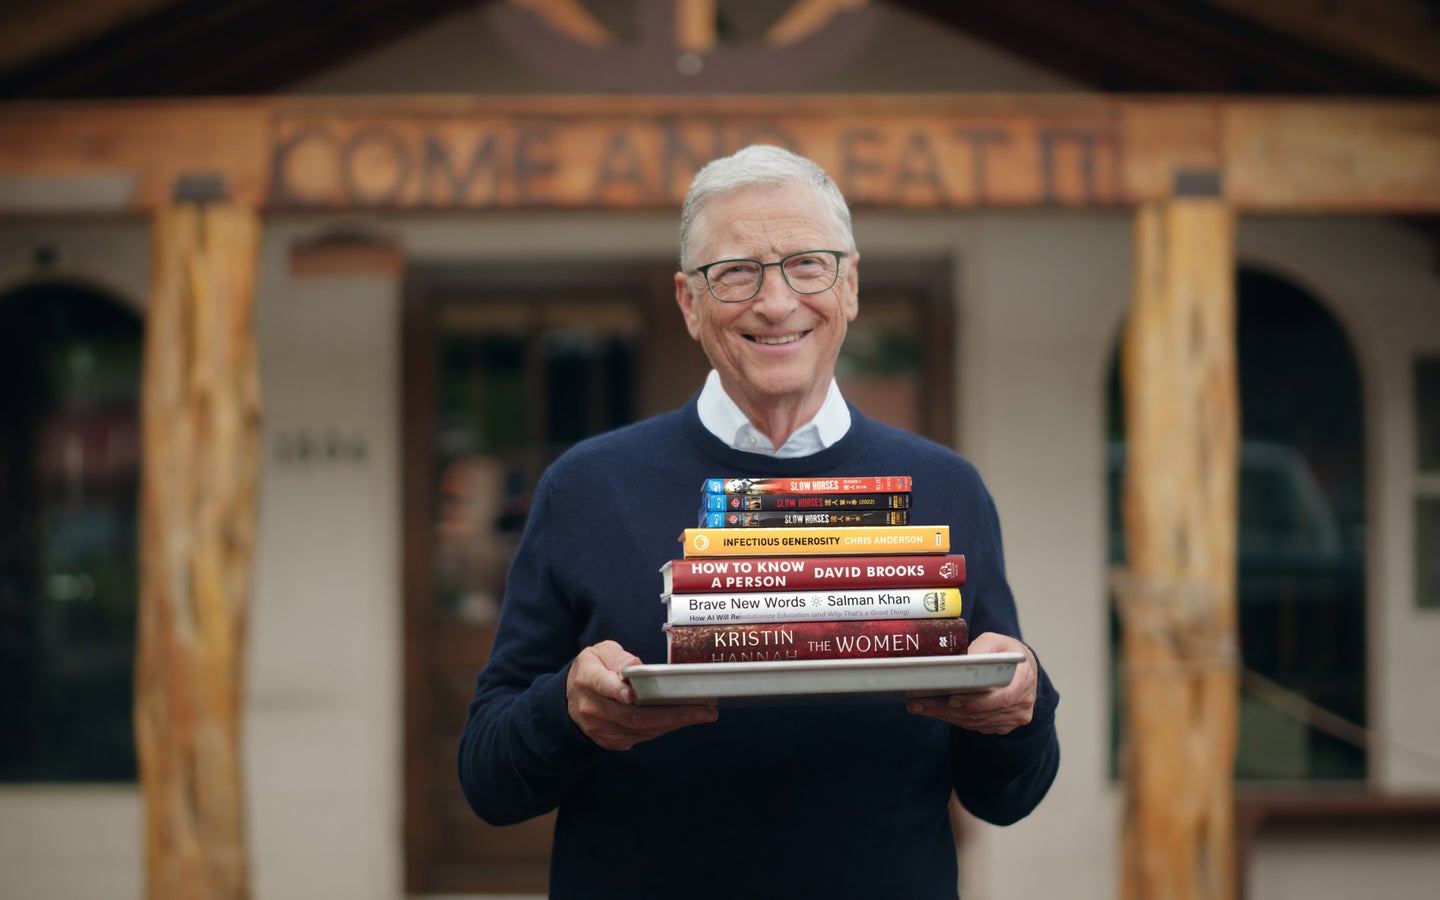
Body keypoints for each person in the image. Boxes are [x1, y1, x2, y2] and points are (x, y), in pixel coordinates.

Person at [458, 144, 1060, 899]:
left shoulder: (947, 489)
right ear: (688, 302)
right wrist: (565, 711)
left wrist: (1023, 710)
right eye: (735, 272)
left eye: (808, 264)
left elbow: (1007, 797)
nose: (775, 303)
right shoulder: (587, 487)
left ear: (850, 284)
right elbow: (489, 780)